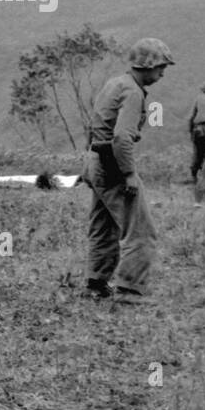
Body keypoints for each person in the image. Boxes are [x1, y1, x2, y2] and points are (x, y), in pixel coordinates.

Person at [83, 38, 174, 303]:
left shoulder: (116, 83)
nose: (162, 74)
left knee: (104, 225)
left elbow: (97, 125)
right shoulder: (132, 92)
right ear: (148, 65)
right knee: (141, 230)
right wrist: (129, 174)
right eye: (161, 68)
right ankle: (130, 290)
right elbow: (122, 138)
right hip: (112, 164)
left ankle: (95, 284)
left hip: (94, 159)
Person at [190, 82, 205, 184]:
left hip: (199, 129)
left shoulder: (198, 99)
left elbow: (192, 116)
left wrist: (191, 131)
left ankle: (194, 176)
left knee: (198, 154)